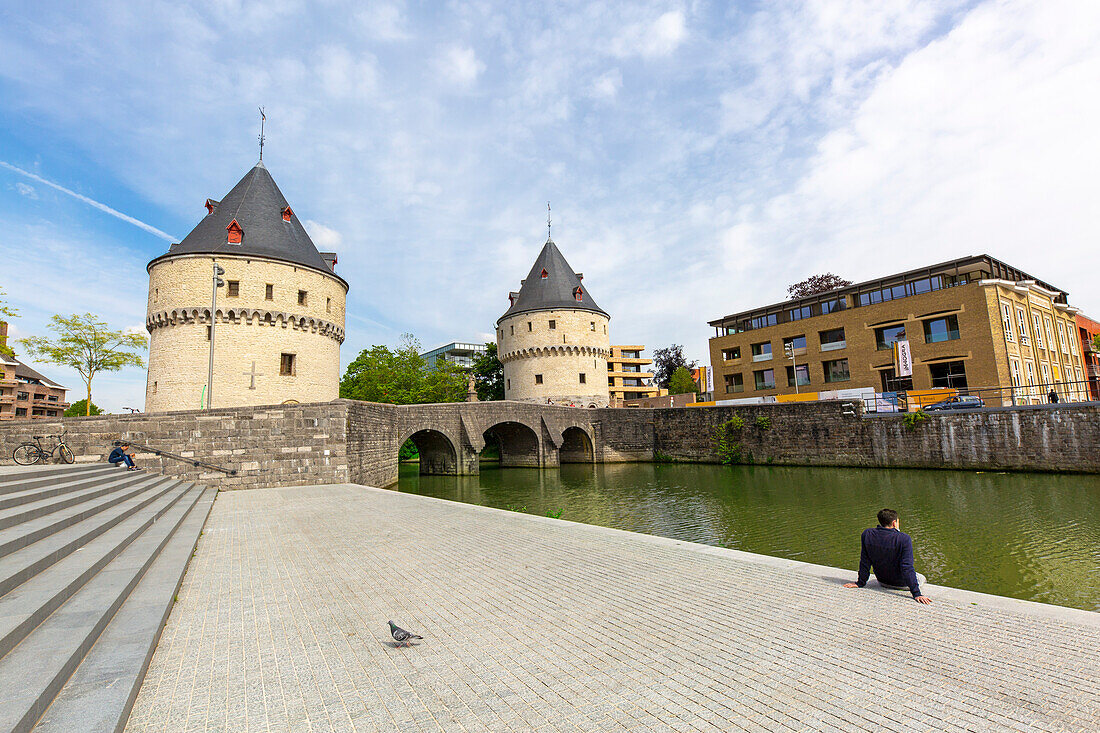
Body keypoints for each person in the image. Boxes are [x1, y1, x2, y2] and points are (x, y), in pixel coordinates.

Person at [843, 509, 931, 604]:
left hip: (882, 581)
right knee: (921, 577)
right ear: (894, 523)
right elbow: (907, 567)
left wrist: (860, 583)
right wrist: (917, 594)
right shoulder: (904, 539)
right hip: (902, 584)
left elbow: (865, 561)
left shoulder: (867, 534)